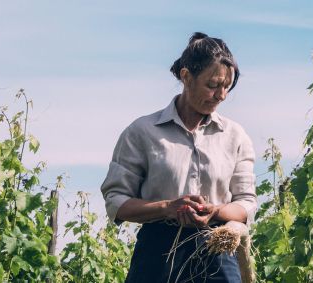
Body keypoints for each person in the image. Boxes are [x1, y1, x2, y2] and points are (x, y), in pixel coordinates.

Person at [100, 32, 257, 283]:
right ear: (186, 77)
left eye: (227, 86)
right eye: (213, 85)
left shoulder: (235, 136)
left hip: (218, 252)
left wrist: (215, 210)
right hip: (157, 254)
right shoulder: (142, 132)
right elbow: (117, 202)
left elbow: (246, 203)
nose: (221, 95)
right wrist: (168, 208)